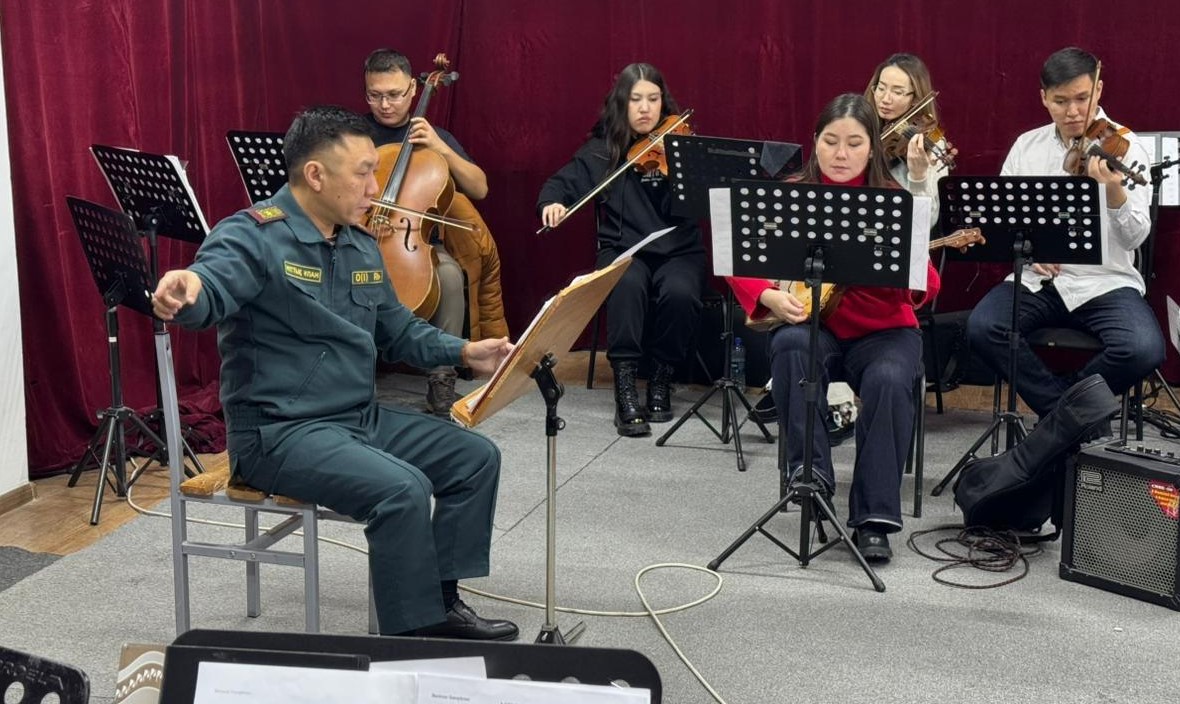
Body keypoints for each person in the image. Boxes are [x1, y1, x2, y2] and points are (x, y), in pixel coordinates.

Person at [152, 106, 518, 640]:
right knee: (403, 489)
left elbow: (397, 330)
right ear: (316, 175)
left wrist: (465, 351)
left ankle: (442, 604)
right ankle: (413, 642)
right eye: (363, 173)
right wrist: (188, 290)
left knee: (474, 457)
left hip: (354, 419)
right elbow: (210, 285)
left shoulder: (358, 243)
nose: (375, 187)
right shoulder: (253, 236)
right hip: (279, 434)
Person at [728, 94, 941, 562]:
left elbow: (927, 285)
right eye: (830, 141)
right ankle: (812, 478)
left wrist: (909, 265)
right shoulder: (790, 193)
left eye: (854, 143)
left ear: (872, 148)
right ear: (815, 142)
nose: (841, 154)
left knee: (889, 379)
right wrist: (768, 296)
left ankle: (874, 518)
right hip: (817, 325)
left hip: (885, 332)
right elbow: (737, 257)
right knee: (789, 347)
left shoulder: (895, 200)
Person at [966, 47, 1164, 419]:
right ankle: (1070, 418)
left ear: (1099, 90)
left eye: (1082, 98)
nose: (1073, 111)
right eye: (1060, 101)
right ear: (1044, 98)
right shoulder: (1027, 146)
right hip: (1039, 280)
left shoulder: (1126, 146)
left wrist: (1115, 193)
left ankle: (1060, 418)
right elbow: (1001, 222)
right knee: (983, 327)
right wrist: (1029, 252)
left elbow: (1135, 239)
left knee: (1143, 348)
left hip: (1106, 281)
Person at [538, 62, 706, 437]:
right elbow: (558, 184)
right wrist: (552, 203)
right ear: (621, 104)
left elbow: (708, 197)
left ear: (664, 103)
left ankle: (661, 377)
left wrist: (683, 168)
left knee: (681, 293)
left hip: (679, 250)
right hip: (623, 249)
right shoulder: (602, 152)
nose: (645, 108)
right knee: (626, 285)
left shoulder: (680, 145)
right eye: (636, 99)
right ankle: (625, 387)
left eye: (653, 99)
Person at [362, 48, 509, 416]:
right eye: (375, 95)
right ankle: (354, 373)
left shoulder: (434, 137)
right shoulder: (355, 135)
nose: (385, 104)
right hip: (361, 235)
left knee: (449, 275)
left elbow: (479, 187)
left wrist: (440, 147)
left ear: (414, 89)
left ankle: (442, 377)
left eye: (394, 94)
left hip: (415, 241)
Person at [864, 52, 951, 223]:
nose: (885, 99)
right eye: (881, 88)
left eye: (897, 92)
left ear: (915, 99)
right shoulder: (861, 128)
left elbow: (928, 221)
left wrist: (918, 176)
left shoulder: (931, 141)